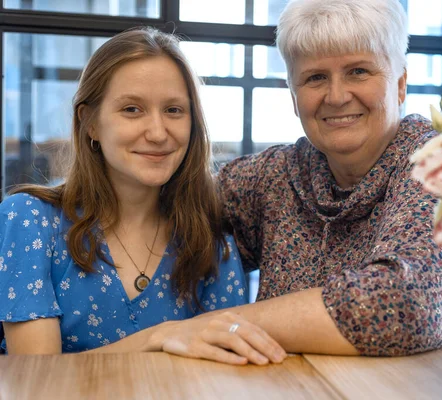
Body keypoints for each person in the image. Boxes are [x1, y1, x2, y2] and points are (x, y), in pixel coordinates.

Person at [119, 0, 442, 358]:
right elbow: (165, 204)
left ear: (400, 83)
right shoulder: (277, 175)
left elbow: (410, 305)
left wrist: (212, 328)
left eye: (359, 71)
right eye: (315, 78)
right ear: (293, 95)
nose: (336, 96)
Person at [0, 28, 285, 365]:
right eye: (132, 109)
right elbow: (38, 371)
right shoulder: (29, 219)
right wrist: (160, 337)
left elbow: (227, 369)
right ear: (90, 122)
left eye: (174, 110)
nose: (157, 132)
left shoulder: (211, 242)